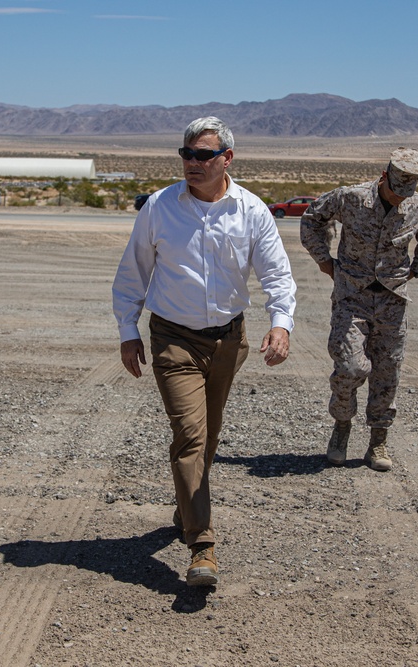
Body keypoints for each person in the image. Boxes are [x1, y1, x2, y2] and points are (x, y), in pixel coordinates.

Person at [112, 117, 296, 587]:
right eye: (186, 155)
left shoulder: (251, 210)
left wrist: (281, 324)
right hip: (173, 337)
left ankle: (185, 507)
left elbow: (276, 274)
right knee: (190, 436)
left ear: (226, 159)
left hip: (228, 341)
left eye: (203, 155)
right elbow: (133, 271)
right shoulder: (159, 207)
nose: (192, 163)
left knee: (209, 438)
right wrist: (127, 330)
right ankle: (202, 545)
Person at [300, 148, 418, 471]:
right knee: (349, 366)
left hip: (393, 301)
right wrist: (324, 261)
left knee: (387, 371)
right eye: (395, 190)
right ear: (383, 176)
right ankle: (342, 425)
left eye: (407, 192)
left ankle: (378, 441)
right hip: (352, 296)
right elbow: (312, 219)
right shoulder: (350, 198)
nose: (399, 198)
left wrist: (417, 267)